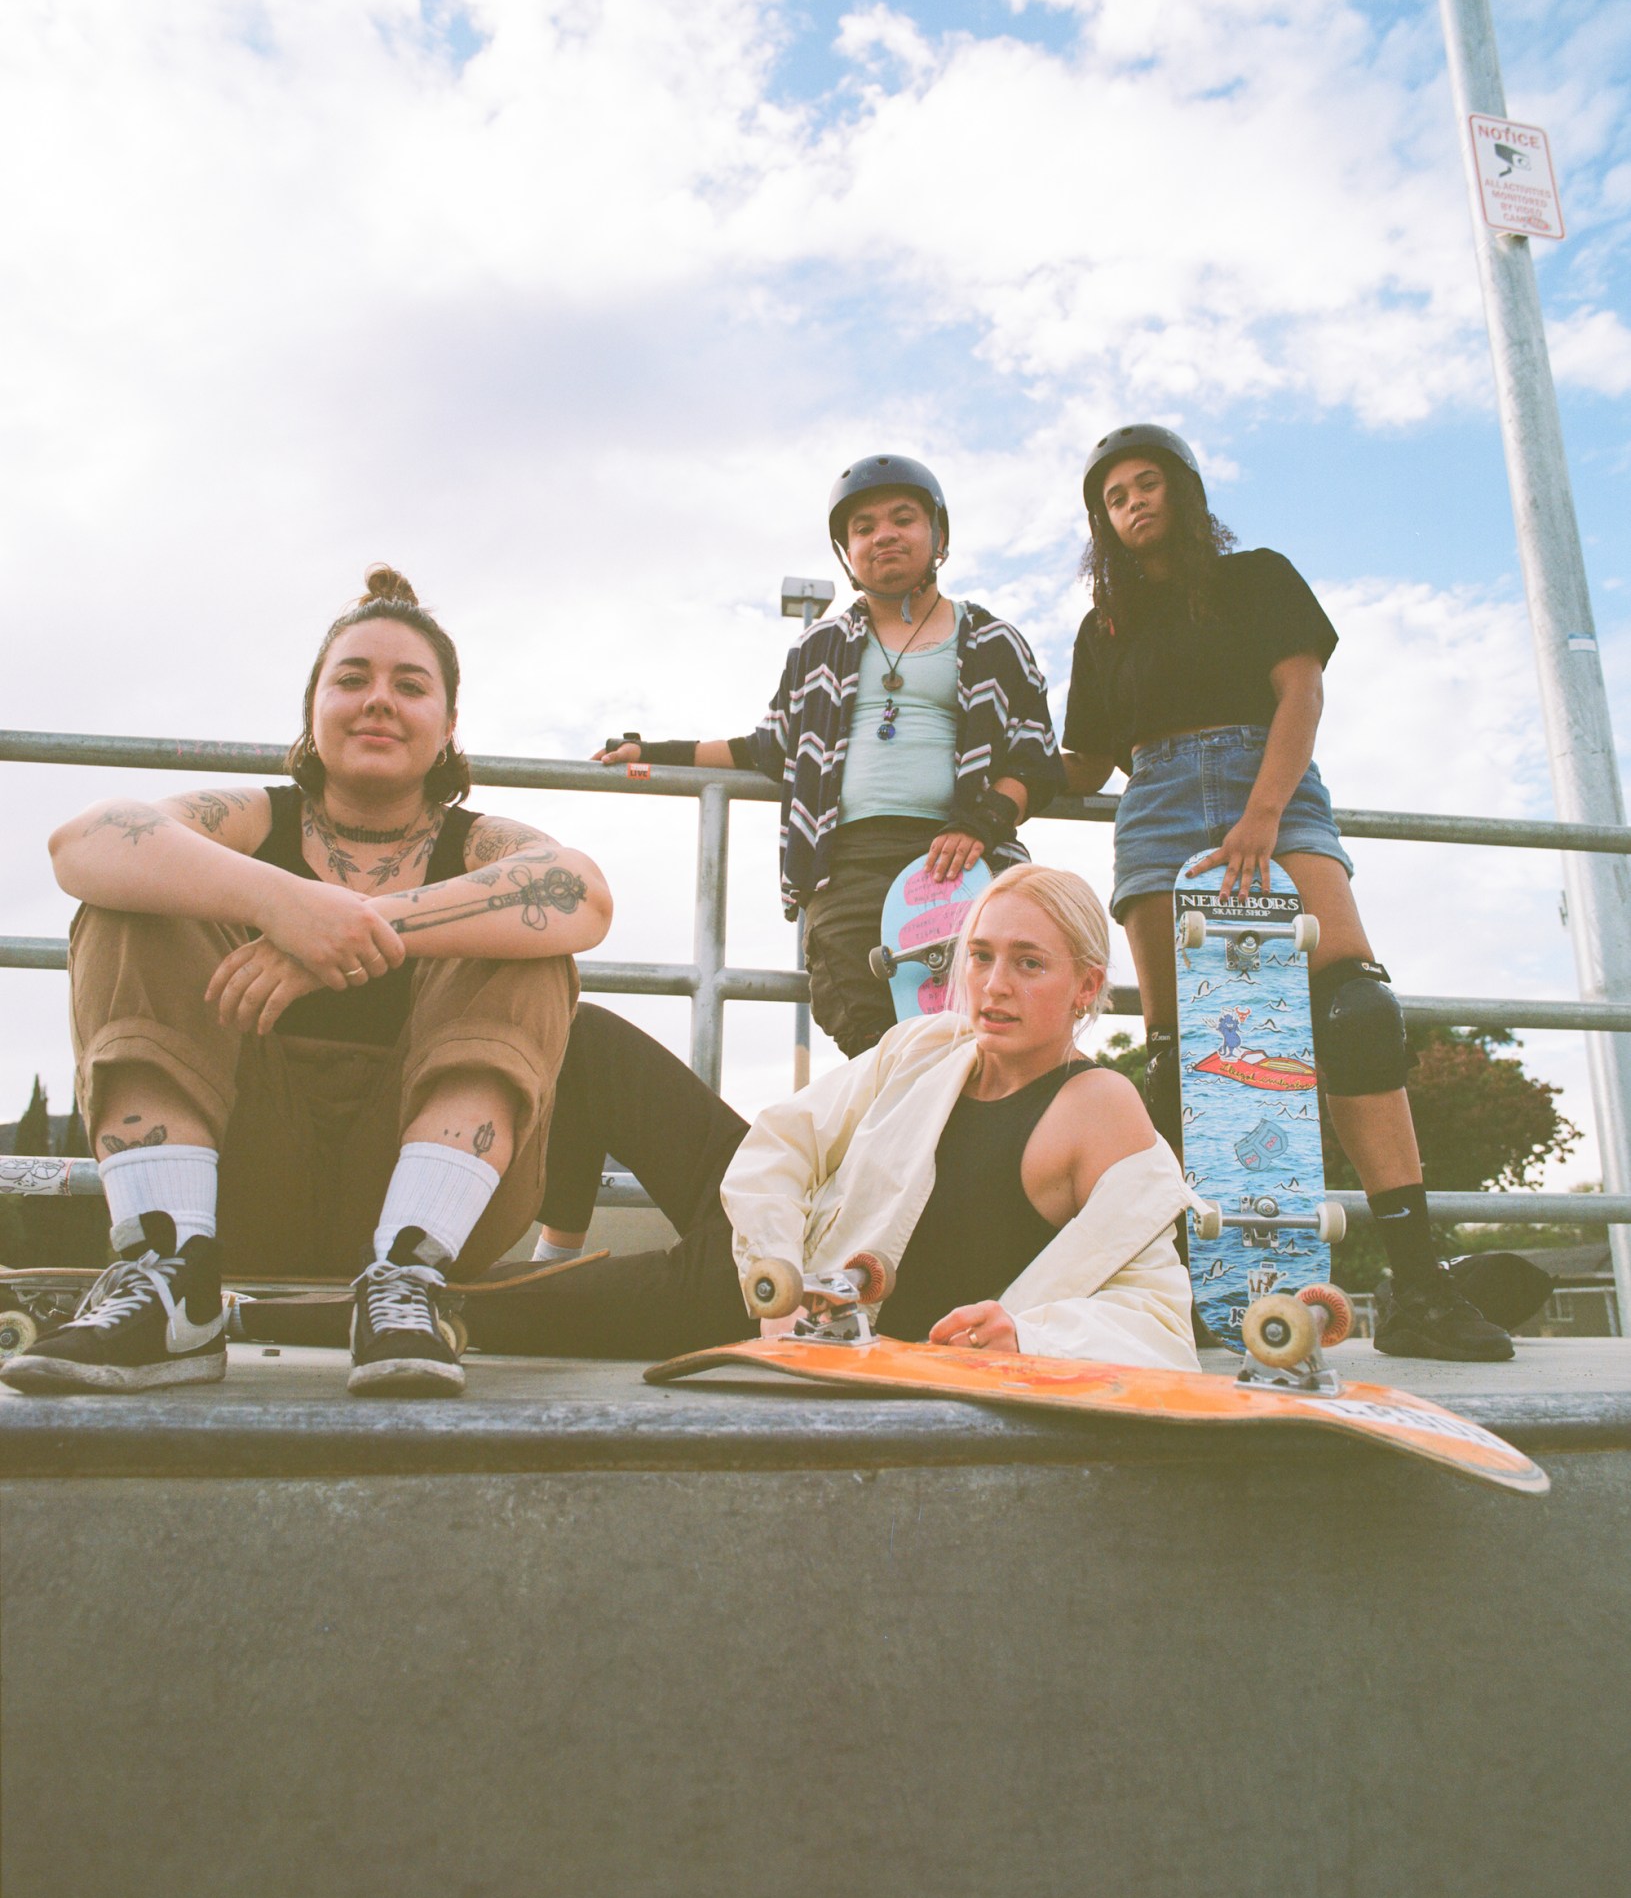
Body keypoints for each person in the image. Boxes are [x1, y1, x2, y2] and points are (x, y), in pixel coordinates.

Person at [3, 568, 611, 1399]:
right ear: (312, 709)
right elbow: (84, 842)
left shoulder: (482, 841)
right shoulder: (255, 820)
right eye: (351, 679)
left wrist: (362, 925)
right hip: (249, 1174)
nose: (378, 701)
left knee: (525, 935)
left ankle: (407, 1276)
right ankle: (170, 1274)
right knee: (131, 897)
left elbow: (579, 891)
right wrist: (280, 902)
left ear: (449, 724)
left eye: (410, 685)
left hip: (424, 1184)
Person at [1060, 423, 1512, 1361]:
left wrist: (1261, 814)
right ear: (1101, 521)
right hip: (1155, 806)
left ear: (1185, 492)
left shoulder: (1257, 576)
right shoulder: (1102, 629)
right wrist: (990, 775)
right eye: (1114, 495)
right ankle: (1191, 1289)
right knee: (1180, 1055)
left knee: (1354, 1009)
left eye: (1149, 484)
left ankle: (1418, 1284)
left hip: (1268, 778)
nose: (1134, 502)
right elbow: (1087, 761)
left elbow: (1299, 691)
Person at [464, 864, 1199, 1374]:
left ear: (1087, 986)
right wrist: (774, 1267)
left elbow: (1159, 1317)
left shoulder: (1096, 1106)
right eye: (978, 956)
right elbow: (784, 1138)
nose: (992, 985)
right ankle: (554, 1254)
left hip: (760, 1302)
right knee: (587, 1034)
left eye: (1028, 963)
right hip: (778, 1253)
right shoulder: (932, 1042)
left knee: (486, 1308)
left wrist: (1026, 1334)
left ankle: (384, 1298)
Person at [596, 455, 1065, 1058]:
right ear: (847, 551)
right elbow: (768, 747)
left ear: (938, 535)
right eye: (864, 528)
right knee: (866, 1029)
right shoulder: (818, 646)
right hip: (845, 861)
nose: (884, 535)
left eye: (903, 519)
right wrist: (656, 750)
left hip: (962, 854)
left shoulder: (993, 640)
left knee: (981, 1029)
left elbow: (1033, 758)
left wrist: (983, 822)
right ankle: (896, 1149)